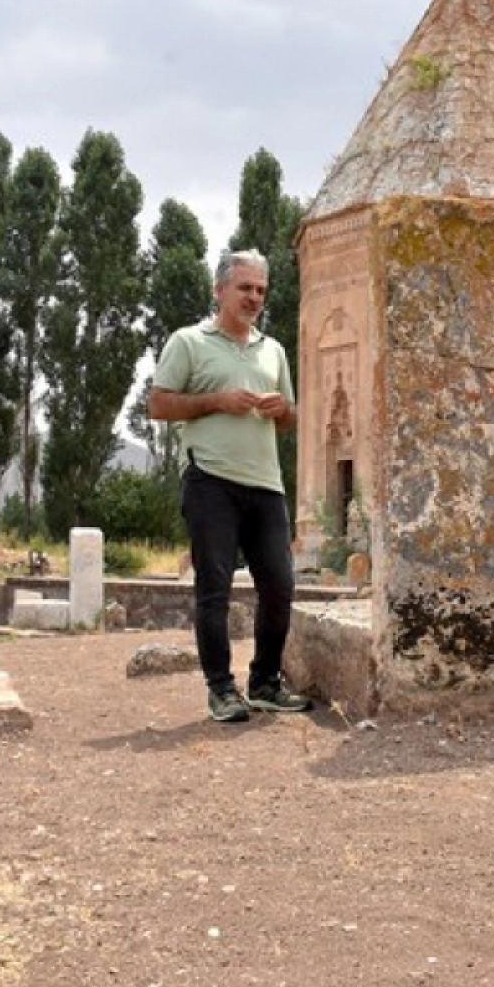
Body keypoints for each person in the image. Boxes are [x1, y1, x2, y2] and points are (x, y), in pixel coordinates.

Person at [149, 249, 312, 722]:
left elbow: (290, 420)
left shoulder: (273, 350)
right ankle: (221, 690)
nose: (254, 297)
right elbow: (159, 404)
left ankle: (265, 683)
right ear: (219, 290)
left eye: (261, 290)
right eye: (245, 288)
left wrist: (282, 410)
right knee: (214, 591)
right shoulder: (188, 342)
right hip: (210, 481)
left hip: (266, 484)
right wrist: (217, 401)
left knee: (279, 586)